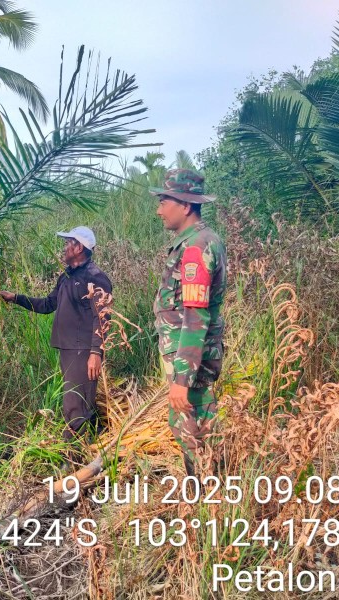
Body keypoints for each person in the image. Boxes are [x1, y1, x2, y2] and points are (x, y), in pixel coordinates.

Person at [0, 227, 113, 443]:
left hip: (83, 350)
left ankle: (73, 451)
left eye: (68, 243)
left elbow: (103, 317)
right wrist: (16, 298)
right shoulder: (66, 277)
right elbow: (48, 304)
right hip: (69, 349)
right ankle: (90, 445)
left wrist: (95, 352)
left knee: (75, 404)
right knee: (78, 400)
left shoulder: (95, 277)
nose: (64, 248)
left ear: (79, 248)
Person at [151, 169, 226, 477]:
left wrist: (182, 380)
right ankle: (213, 489)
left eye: (163, 201)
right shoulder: (199, 241)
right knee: (201, 426)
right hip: (193, 357)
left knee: (190, 429)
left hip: (190, 361)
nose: (159, 211)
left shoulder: (196, 247)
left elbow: (196, 317)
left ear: (184, 205)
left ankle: (204, 493)